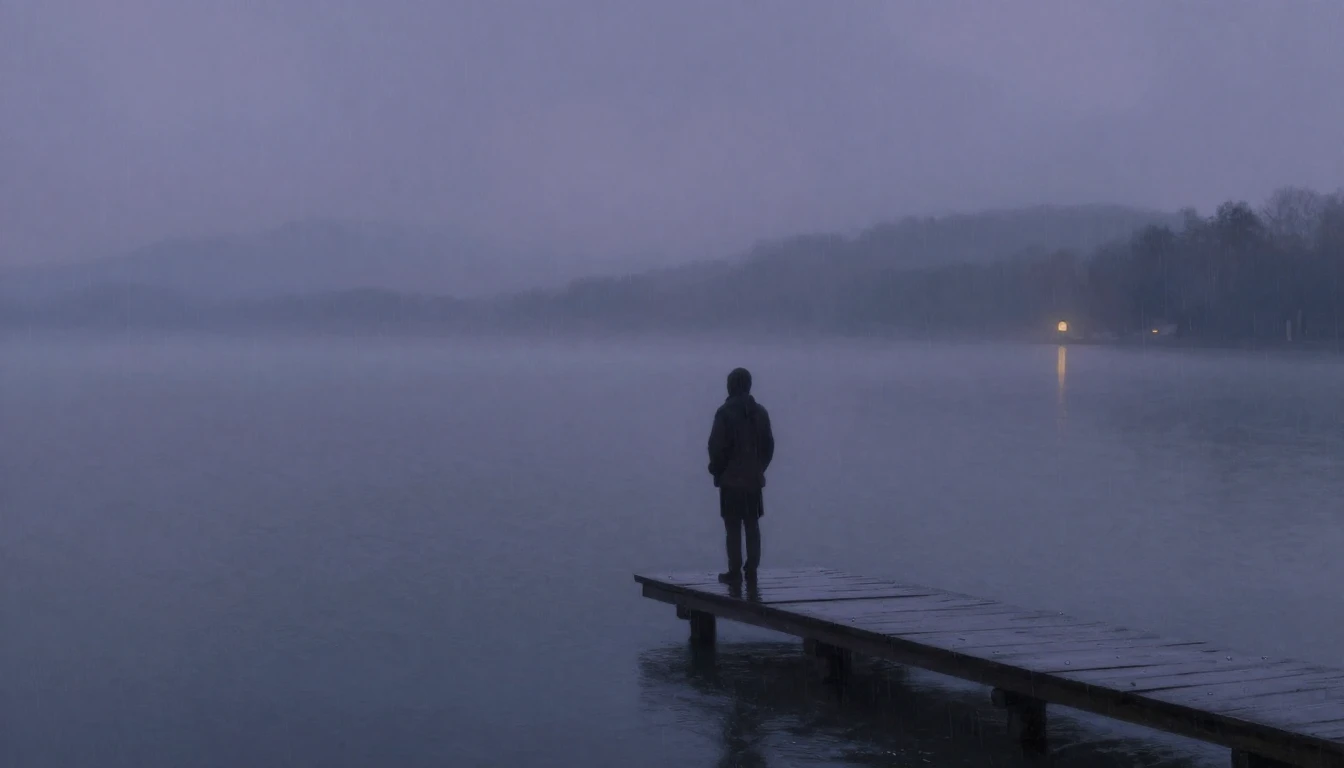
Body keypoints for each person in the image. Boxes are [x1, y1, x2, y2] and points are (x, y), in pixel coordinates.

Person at [707, 367, 775, 584]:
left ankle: (734, 571)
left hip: (731, 480)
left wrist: (717, 470)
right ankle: (752, 568)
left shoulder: (724, 413)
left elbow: (717, 447)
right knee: (752, 524)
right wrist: (758, 468)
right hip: (753, 480)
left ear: (731, 386)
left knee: (733, 526)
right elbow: (769, 447)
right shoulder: (761, 413)